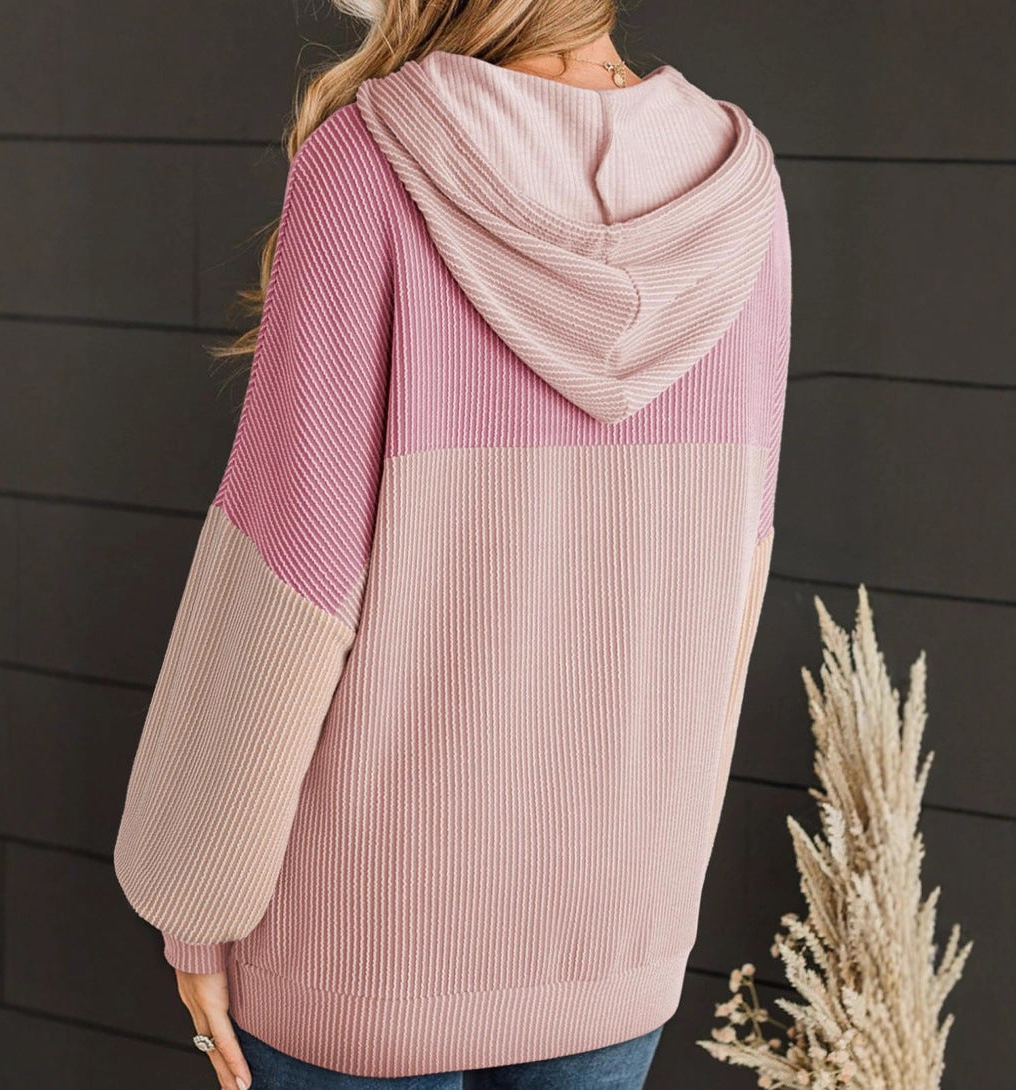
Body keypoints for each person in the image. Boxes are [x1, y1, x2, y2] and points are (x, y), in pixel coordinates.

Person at [113, 1, 792, 1087]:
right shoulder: (740, 192)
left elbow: (284, 580)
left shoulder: (369, 165)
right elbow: (732, 588)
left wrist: (197, 905)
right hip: (615, 935)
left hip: (364, 950)